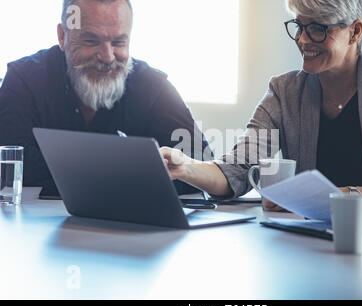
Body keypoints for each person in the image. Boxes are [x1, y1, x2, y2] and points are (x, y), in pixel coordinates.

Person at [161, 0, 362, 207]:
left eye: (317, 29)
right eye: (300, 26)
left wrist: (336, 197)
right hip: (307, 239)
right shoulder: (285, 91)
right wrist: (186, 167)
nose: (303, 40)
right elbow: (238, 170)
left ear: (355, 31)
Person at [0, 0, 211, 192]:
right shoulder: (24, 80)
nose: (107, 57)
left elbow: (200, 167)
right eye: (91, 41)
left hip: (134, 229)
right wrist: (134, 169)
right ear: (62, 36)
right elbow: (10, 164)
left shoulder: (152, 86)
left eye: (119, 43)